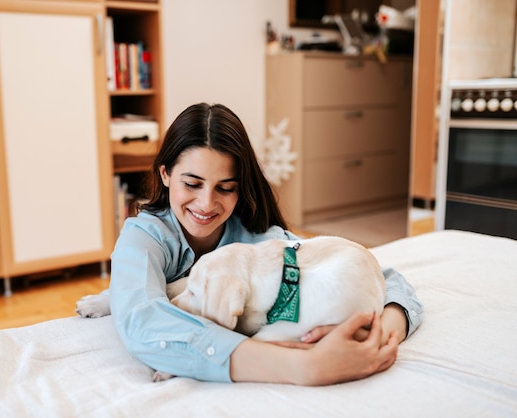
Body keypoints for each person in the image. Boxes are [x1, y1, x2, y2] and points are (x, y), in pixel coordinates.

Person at [109, 102, 423, 385]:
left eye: (226, 188)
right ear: (165, 174)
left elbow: (388, 280)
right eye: (192, 184)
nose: (206, 204)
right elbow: (141, 320)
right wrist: (304, 365)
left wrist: (374, 330)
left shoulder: (259, 241)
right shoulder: (144, 237)